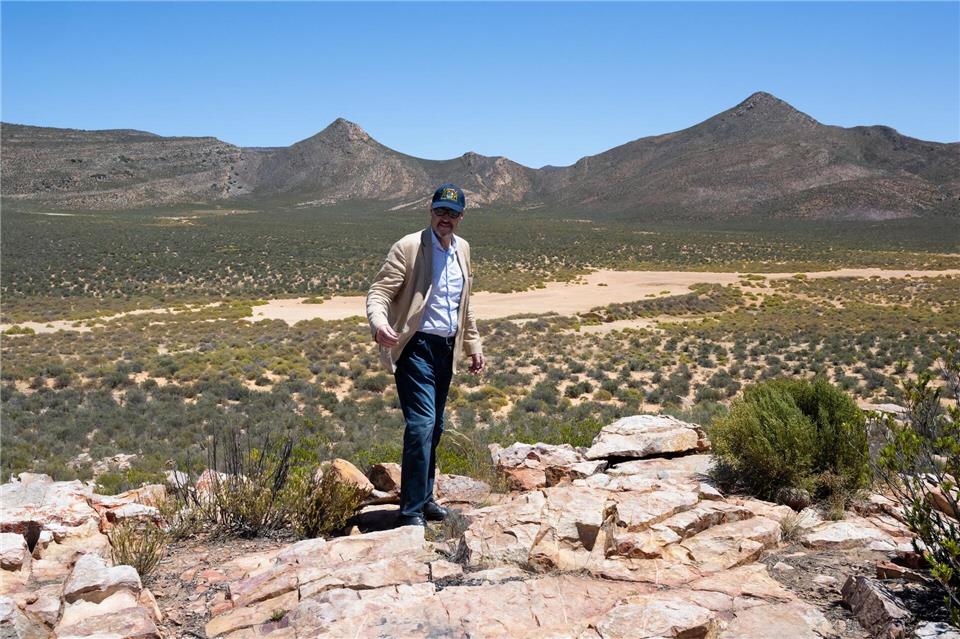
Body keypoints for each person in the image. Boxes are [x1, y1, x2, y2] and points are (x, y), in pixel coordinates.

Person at [366, 183, 485, 527]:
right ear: (429, 211)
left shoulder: (462, 249)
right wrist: (378, 324)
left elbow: (464, 304)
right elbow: (379, 292)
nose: (444, 218)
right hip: (415, 346)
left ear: (461, 217)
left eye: (452, 213)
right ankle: (411, 512)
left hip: (446, 349)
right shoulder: (408, 247)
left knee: (436, 428)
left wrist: (472, 345)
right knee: (421, 425)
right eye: (439, 211)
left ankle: (426, 497)